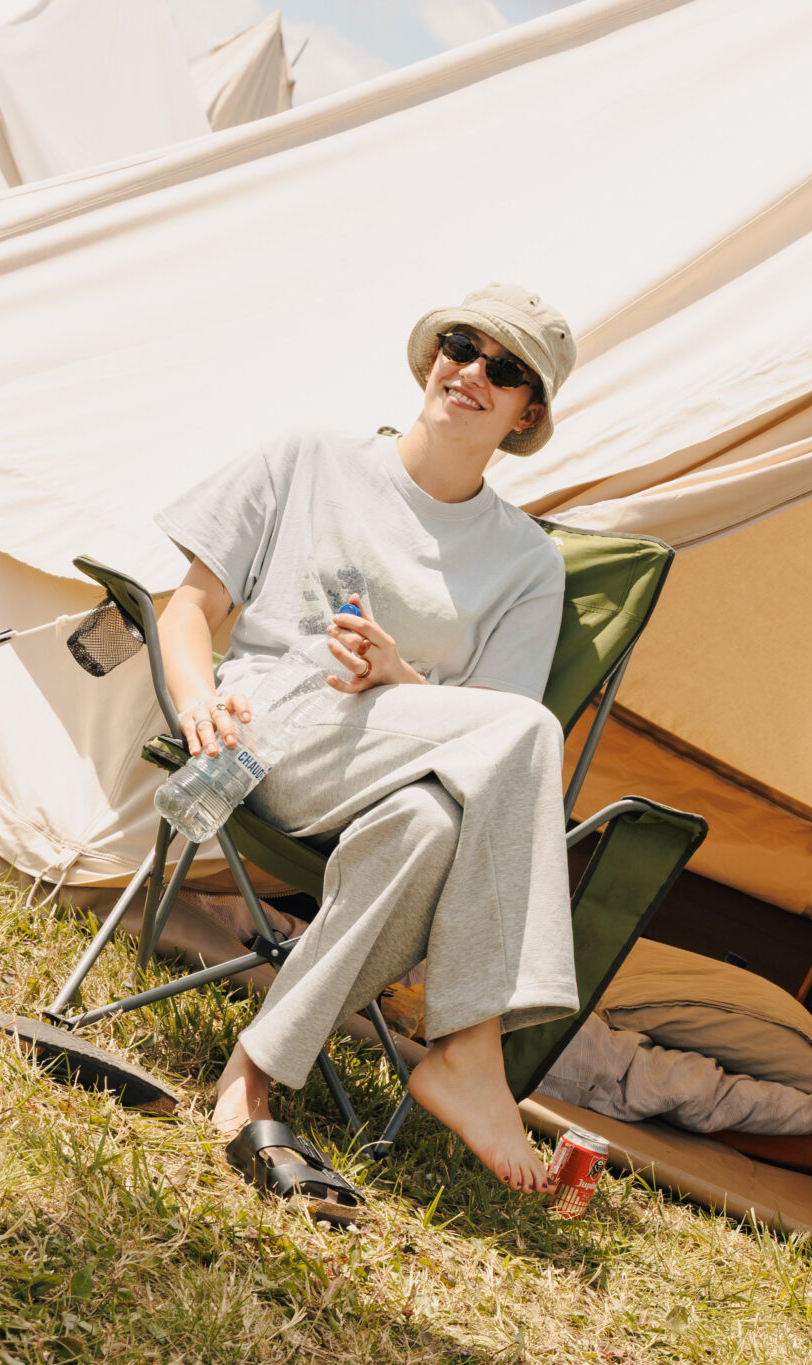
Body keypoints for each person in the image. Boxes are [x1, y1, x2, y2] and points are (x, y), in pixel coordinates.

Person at [153, 283, 581, 1213]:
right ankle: (473, 1048)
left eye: (504, 368)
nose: (471, 371)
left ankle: (250, 1078)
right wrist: (195, 703)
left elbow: (492, 746)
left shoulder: (527, 562)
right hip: (270, 736)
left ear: (525, 412)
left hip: (394, 771)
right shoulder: (311, 456)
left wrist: (399, 678)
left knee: (430, 825)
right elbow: (189, 607)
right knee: (532, 729)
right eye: (461, 345)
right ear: (432, 355)